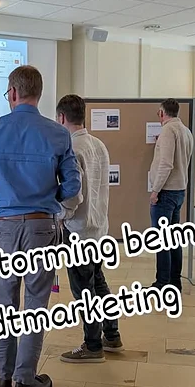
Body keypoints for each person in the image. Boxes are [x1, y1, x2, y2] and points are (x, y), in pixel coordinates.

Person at [0, 65, 81, 387]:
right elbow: (73, 186)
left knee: (5, 303)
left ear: (13, 93)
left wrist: (4, 199)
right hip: (41, 227)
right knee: (35, 305)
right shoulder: (58, 134)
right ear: (38, 93)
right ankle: (25, 381)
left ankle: (3, 375)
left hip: (6, 228)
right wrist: (46, 198)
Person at [54, 94, 123, 364]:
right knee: (98, 282)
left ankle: (93, 345)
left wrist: (61, 215)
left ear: (61, 117)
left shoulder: (72, 148)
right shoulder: (99, 145)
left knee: (84, 290)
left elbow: (73, 195)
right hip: (98, 228)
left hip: (79, 231)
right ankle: (112, 335)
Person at [148, 98, 194, 292]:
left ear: (161, 112)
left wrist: (155, 191)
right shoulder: (186, 131)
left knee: (161, 241)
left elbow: (166, 164)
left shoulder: (168, 131)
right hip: (179, 191)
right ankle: (175, 281)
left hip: (165, 193)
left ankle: (162, 284)